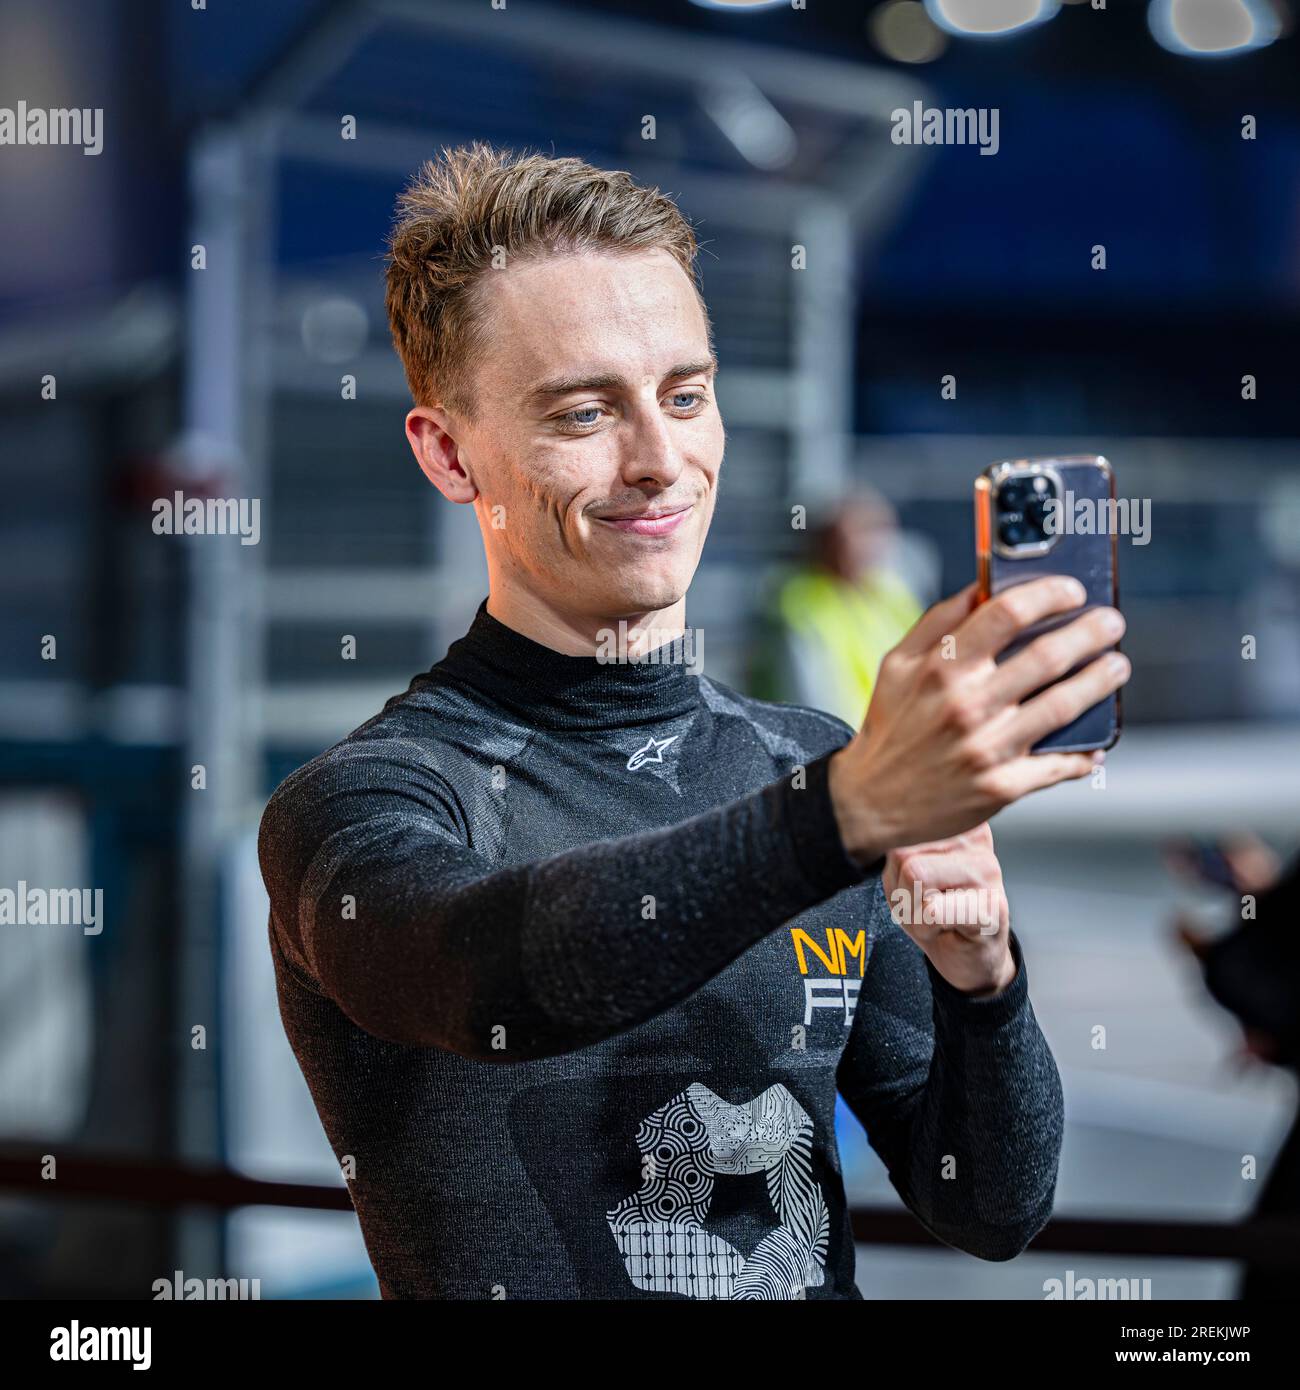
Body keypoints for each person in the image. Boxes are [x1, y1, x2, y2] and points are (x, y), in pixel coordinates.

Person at [257, 143, 1131, 1300]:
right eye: (585, 411)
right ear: (450, 453)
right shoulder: (369, 801)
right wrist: (853, 809)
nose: (661, 460)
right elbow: (489, 982)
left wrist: (982, 977)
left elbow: (988, 1206)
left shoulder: (802, 762)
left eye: (685, 394)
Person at [751, 490, 925, 728]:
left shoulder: (892, 594)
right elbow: (810, 702)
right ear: (826, 542)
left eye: (878, 530)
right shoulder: (800, 602)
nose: (869, 544)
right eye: (860, 532)